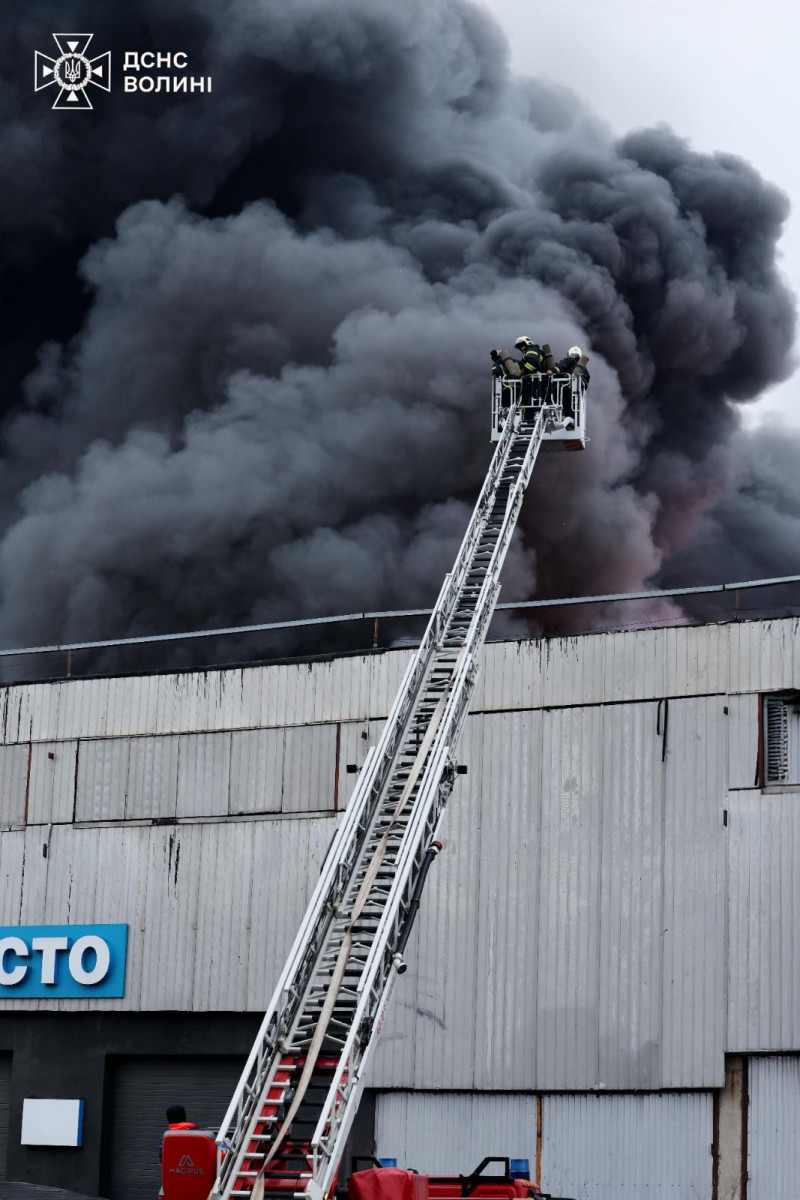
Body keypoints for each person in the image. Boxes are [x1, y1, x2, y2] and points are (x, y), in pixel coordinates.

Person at [555, 345, 590, 426]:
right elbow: (586, 383)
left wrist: (554, 370)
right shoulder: (584, 369)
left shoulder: (569, 360)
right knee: (573, 410)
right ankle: (571, 424)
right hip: (576, 397)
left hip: (564, 394)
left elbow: (561, 366)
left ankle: (562, 418)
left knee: (563, 406)